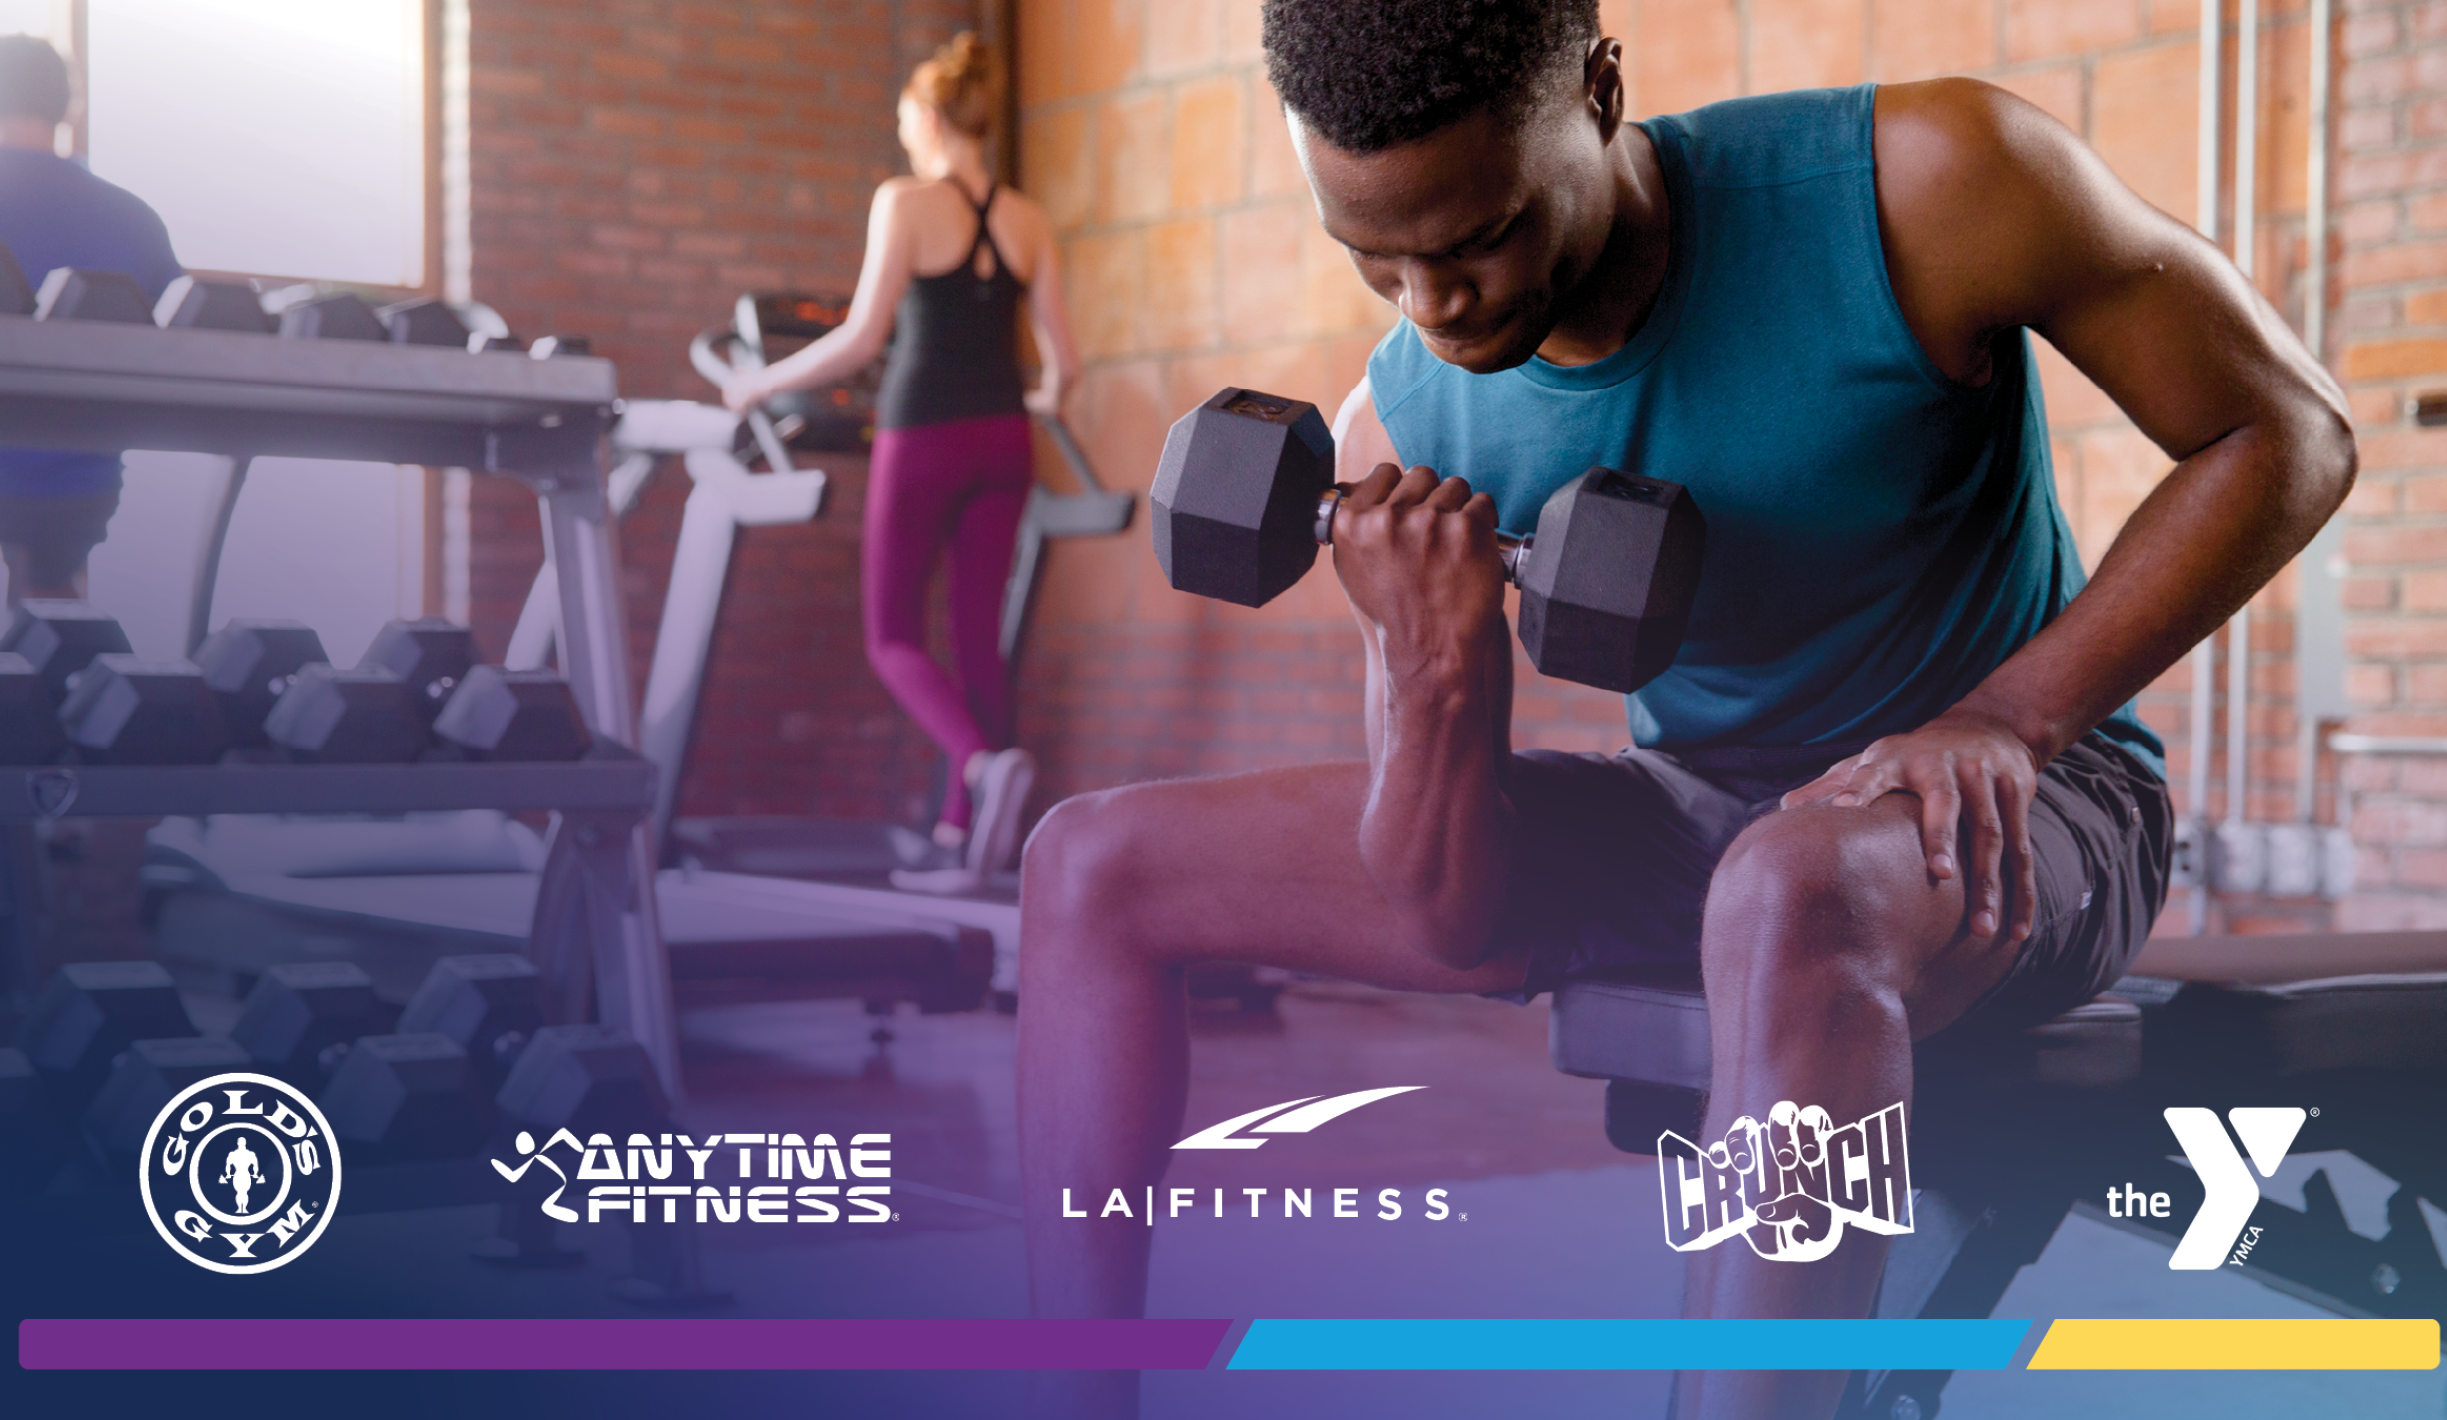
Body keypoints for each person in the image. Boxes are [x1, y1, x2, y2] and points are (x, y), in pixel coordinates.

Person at [1013, 4, 2353, 1419]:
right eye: (1373, 258)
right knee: (1085, 866)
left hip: (2026, 798)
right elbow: (1450, 911)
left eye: (1477, 240)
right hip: (1706, 813)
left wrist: (2013, 717)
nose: (1432, 306)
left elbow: (2289, 429)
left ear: (1599, 88)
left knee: (1786, 890)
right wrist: (1435, 658)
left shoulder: (1925, 185)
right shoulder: (1403, 420)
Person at [724, 31, 1076, 890]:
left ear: (926, 115)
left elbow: (862, 337)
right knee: (978, 645)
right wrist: (1033, 403)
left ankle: (981, 769)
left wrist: (759, 385)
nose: (904, 137)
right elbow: (1066, 368)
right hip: (1005, 439)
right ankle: (968, 845)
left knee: (890, 637)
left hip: (924, 433)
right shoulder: (1030, 220)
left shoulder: (904, 200)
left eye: (904, 121)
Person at [0, 34, 182, 606]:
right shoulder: (134, 218)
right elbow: (183, 340)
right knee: (53, 613)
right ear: (69, 105)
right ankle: (61, 661)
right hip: (77, 481)